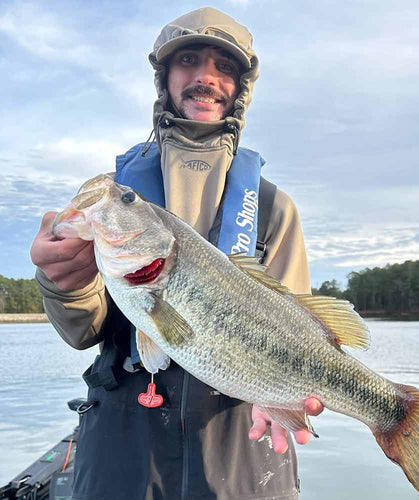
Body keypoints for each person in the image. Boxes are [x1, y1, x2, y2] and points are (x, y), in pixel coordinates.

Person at [31, 7, 323, 500]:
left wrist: (285, 395)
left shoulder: (274, 208)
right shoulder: (123, 200)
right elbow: (84, 330)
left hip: (241, 448)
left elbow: (298, 327)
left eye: (224, 66)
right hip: (121, 452)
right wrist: (67, 284)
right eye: (188, 59)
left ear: (241, 87)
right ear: (164, 78)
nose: (206, 77)